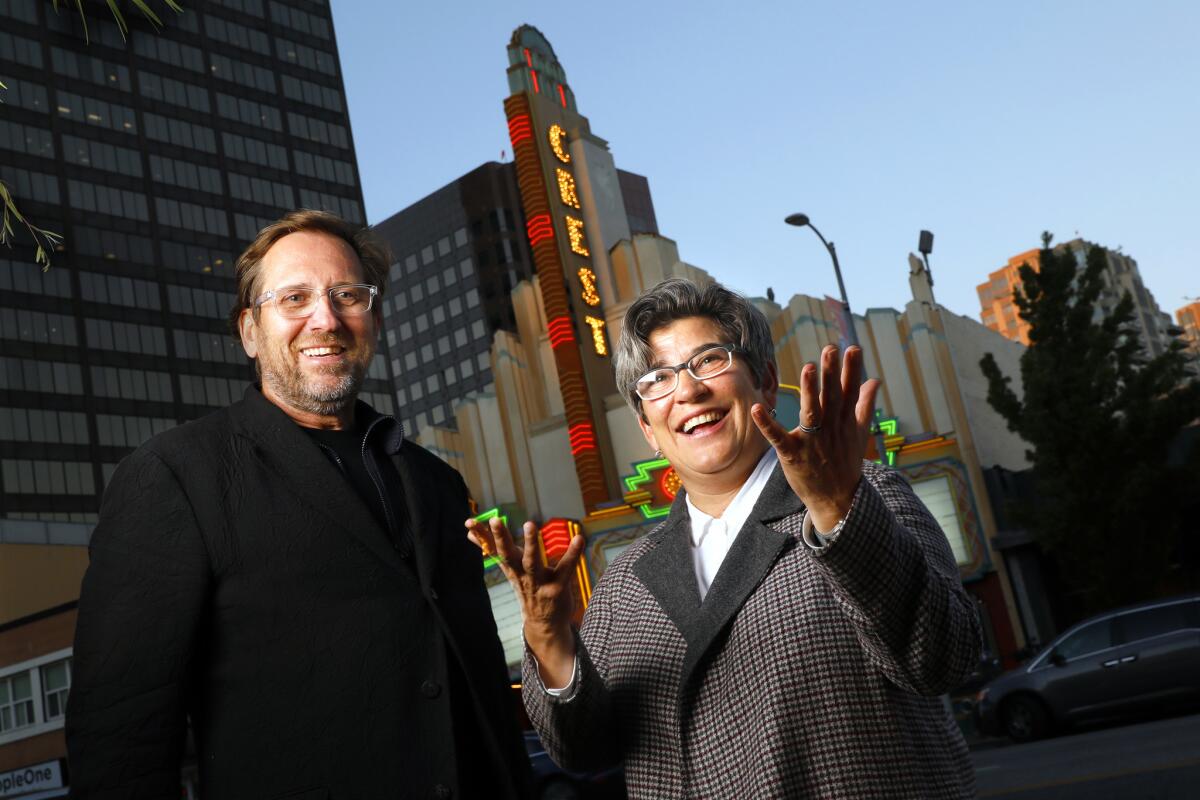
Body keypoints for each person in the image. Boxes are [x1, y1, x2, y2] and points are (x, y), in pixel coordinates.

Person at [67, 210, 531, 800]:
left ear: (375, 316)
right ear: (249, 332)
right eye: (294, 299)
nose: (326, 319)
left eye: (347, 295)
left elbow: (483, 696)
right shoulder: (175, 475)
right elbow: (119, 735)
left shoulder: (437, 481)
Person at [467, 277, 981, 798]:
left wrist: (833, 508)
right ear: (647, 427)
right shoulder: (624, 582)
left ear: (764, 380)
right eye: (658, 379)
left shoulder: (867, 494)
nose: (687, 391)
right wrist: (549, 636)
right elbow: (584, 750)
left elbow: (944, 659)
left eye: (709, 360)